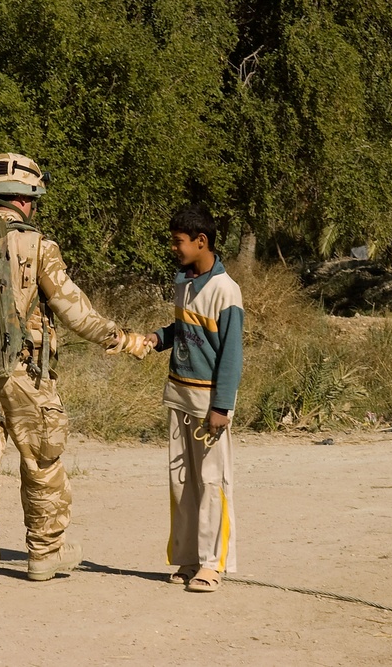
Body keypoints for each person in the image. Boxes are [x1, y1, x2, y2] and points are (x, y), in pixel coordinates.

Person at [0, 152, 151, 600]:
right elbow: (73, 309)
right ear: (27, 198)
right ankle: (43, 555)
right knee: (41, 461)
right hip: (24, 372)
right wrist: (121, 338)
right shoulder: (37, 245)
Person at [145, 203, 244, 593]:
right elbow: (183, 331)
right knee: (183, 483)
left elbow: (231, 355)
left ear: (201, 242)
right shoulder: (184, 282)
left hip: (208, 407)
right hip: (179, 397)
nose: (174, 248)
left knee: (212, 482)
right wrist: (156, 338)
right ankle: (187, 558)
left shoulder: (226, 291)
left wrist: (222, 407)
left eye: (179, 242)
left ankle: (212, 564)